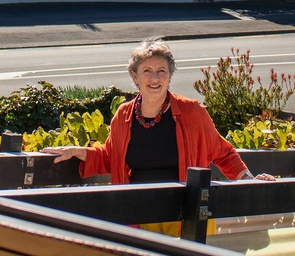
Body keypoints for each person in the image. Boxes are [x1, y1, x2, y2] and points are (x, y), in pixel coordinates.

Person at [41, 38, 274, 235]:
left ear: (169, 76)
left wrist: (249, 180)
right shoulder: (124, 115)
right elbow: (110, 156)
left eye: (161, 71)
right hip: (138, 215)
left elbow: (223, 153)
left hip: (186, 216)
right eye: (147, 71)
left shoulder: (192, 112)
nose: (155, 78)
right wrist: (77, 152)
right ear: (135, 77)